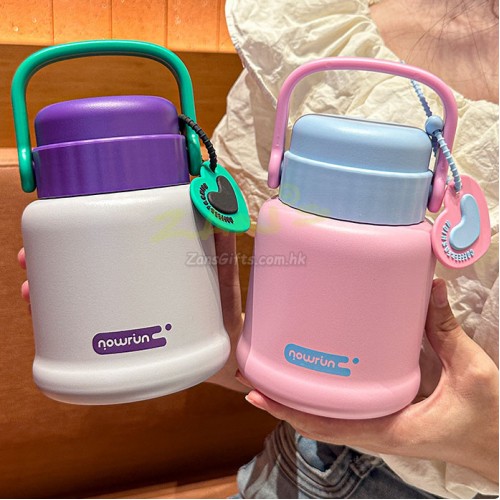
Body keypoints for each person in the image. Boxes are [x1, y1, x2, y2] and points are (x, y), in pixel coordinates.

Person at [18, 0, 499, 497]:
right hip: (292, 465)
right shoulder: (331, 22)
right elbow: (273, 354)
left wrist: (486, 440)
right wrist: (217, 342)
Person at [206, 0, 499, 498]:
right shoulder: (320, 25)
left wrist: (488, 442)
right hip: (295, 462)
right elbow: (286, 337)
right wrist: (218, 352)